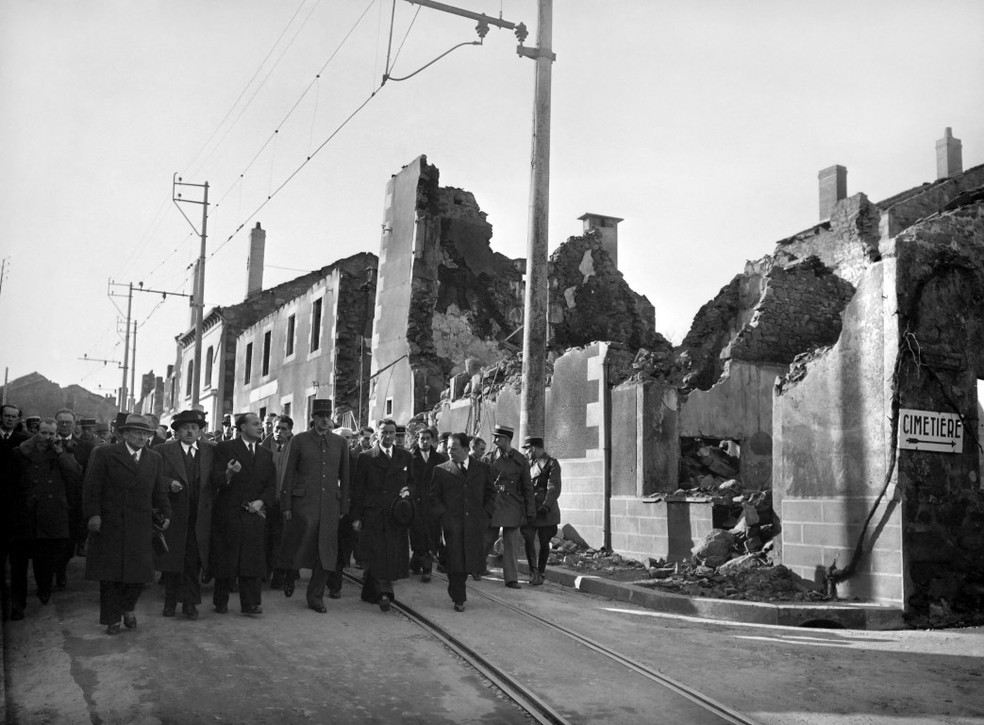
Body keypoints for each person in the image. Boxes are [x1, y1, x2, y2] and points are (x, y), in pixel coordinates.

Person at [83, 414, 171, 635]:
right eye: (138, 432)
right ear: (124, 434)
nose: (143, 437)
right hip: (111, 522)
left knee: (140, 574)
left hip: (141, 524)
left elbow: (158, 490)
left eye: (146, 433)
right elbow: (92, 488)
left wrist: (166, 512)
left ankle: (128, 607)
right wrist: (94, 515)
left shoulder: (154, 458)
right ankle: (112, 618)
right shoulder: (104, 454)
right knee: (111, 575)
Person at [277, 401, 350, 613]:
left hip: (330, 505)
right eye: (320, 416)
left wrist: (344, 505)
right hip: (303, 504)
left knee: (326, 550)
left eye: (327, 415)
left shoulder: (340, 443)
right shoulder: (299, 440)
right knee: (298, 544)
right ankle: (290, 574)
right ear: (313, 417)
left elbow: (344, 476)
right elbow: (288, 473)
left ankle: (315, 595)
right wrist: (286, 504)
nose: (324, 420)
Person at [8, 419, 83, 620]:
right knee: (18, 566)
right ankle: (18, 604)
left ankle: (44, 588)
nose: (47, 437)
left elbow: (75, 474)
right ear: (36, 433)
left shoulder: (62, 452)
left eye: (51, 434)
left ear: (56, 434)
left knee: (45, 561)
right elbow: (10, 483)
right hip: (23, 516)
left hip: (49, 516)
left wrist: (60, 452)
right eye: (44, 433)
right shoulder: (20, 452)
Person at [210, 412, 276, 615]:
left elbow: (270, 484)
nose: (260, 427)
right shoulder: (225, 448)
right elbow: (215, 478)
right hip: (229, 512)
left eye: (260, 424)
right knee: (226, 559)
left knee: (252, 560)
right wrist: (228, 473)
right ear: (242, 428)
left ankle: (251, 603)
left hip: (254, 514)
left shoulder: (266, 454)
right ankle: (220, 601)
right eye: (255, 424)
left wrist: (261, 501)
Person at [155, 410, 214, 620]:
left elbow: (216, 480)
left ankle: (190, 604)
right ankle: (170, 602)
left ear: (200, 432)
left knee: (193, 560)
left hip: (200, 516)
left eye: (194, 428)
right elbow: (153, 477)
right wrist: (168, 483)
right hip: (175, 514)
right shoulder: (162, 450)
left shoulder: (210, 451)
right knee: (173, 560)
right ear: (177, 432)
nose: (190, 431)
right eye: (185, 428)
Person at [429, 432, 496, 612]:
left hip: (475, 524)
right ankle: (458, 596)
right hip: (453, 526)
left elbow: (491, 493)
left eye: (454, 448)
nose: (450, 451)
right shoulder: (441, 469)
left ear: (466, 449)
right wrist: (444, 516)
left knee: (470, 561)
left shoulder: (482, 469)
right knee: (455, 562)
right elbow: (434, 498)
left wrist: (486, 514)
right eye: (449, 447)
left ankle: (460, 587)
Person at [351, 418, 412, 612]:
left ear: (396, 435)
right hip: (374, 513)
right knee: (377, 553)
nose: (388, 436)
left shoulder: (405, 457)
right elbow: (358, 489)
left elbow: (412, 483)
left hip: (396, 514)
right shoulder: (366, 457)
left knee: (390, 553)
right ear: (377, 434)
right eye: (384, 432)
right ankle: (385, 593)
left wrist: (407, 492)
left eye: (392, 432)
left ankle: (370, 591)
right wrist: (356, 517)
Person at [482, 425, 534, 589]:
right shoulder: (488, 458)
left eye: (498, 437)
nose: (495, 440)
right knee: (486, 539)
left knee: (511, 543)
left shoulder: (520, 460)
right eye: (495, 437)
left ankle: (511, 578)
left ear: (507, 439)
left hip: (512, 504)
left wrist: (530, 510)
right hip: (493, 503)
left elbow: (527, 486)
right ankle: (477, 567)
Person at [53, 408, 94, 588]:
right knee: (50, 542)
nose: (64, 425)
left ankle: (61, 570)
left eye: (67, 422)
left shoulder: (84, 448)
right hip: (50, 502)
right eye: (61, 422)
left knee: (68, 542)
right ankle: (51, 573)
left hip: (72, 501)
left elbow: (88, 476)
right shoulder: (46, 443)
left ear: (73, 424)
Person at [519, 436, 562, 586]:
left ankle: (541, 572)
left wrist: (546, 505)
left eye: (528, 450)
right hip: (530, 508)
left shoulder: (552, 464)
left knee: (544, 542)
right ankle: (533, 571)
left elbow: (553, 487)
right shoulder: (527, 464)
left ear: (534, 448)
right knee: (528, 539)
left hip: (545, 510)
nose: (526, 453)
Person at [408, 427, 447, 582]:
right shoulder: (410, 457)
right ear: (417, 440)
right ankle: (422, 565)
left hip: (433, 503)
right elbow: (407, 480)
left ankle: (422, 566)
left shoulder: (440, 459)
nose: (424, 441)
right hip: (416, 503)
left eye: (427, 438)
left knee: (431, 536)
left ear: (432, 440)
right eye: (421, 438)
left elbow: (444, 481)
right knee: (418, 535)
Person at [263, 415, 295, 590]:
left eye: (283, 429)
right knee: (266, 538)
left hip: (286, 502)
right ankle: (265, 571)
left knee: (282, 539)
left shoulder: (295, 447)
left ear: (289, 431)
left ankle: (280, 573)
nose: (279, 432)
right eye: (276, 428)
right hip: (268, 500)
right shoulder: (265, 447)